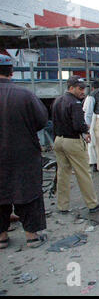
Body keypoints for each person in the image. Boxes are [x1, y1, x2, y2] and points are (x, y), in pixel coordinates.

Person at [0, 54, 49, 249]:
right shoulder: (25, 95)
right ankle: (31, 236)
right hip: (24, 153)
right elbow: (42, 121)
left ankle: (1, 237)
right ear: (11, 72)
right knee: (27, 192)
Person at [52, 76, 99, 214]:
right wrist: (85, 131)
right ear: (71, 87)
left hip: (59, 140)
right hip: (72, 141)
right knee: (83, 173)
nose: (83, 91)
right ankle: (92, 204)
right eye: (80, 88)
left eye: (84, 88)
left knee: (62, 174)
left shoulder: (58, 100)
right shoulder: (75, 103)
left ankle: (63, 205)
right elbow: (78, 124)